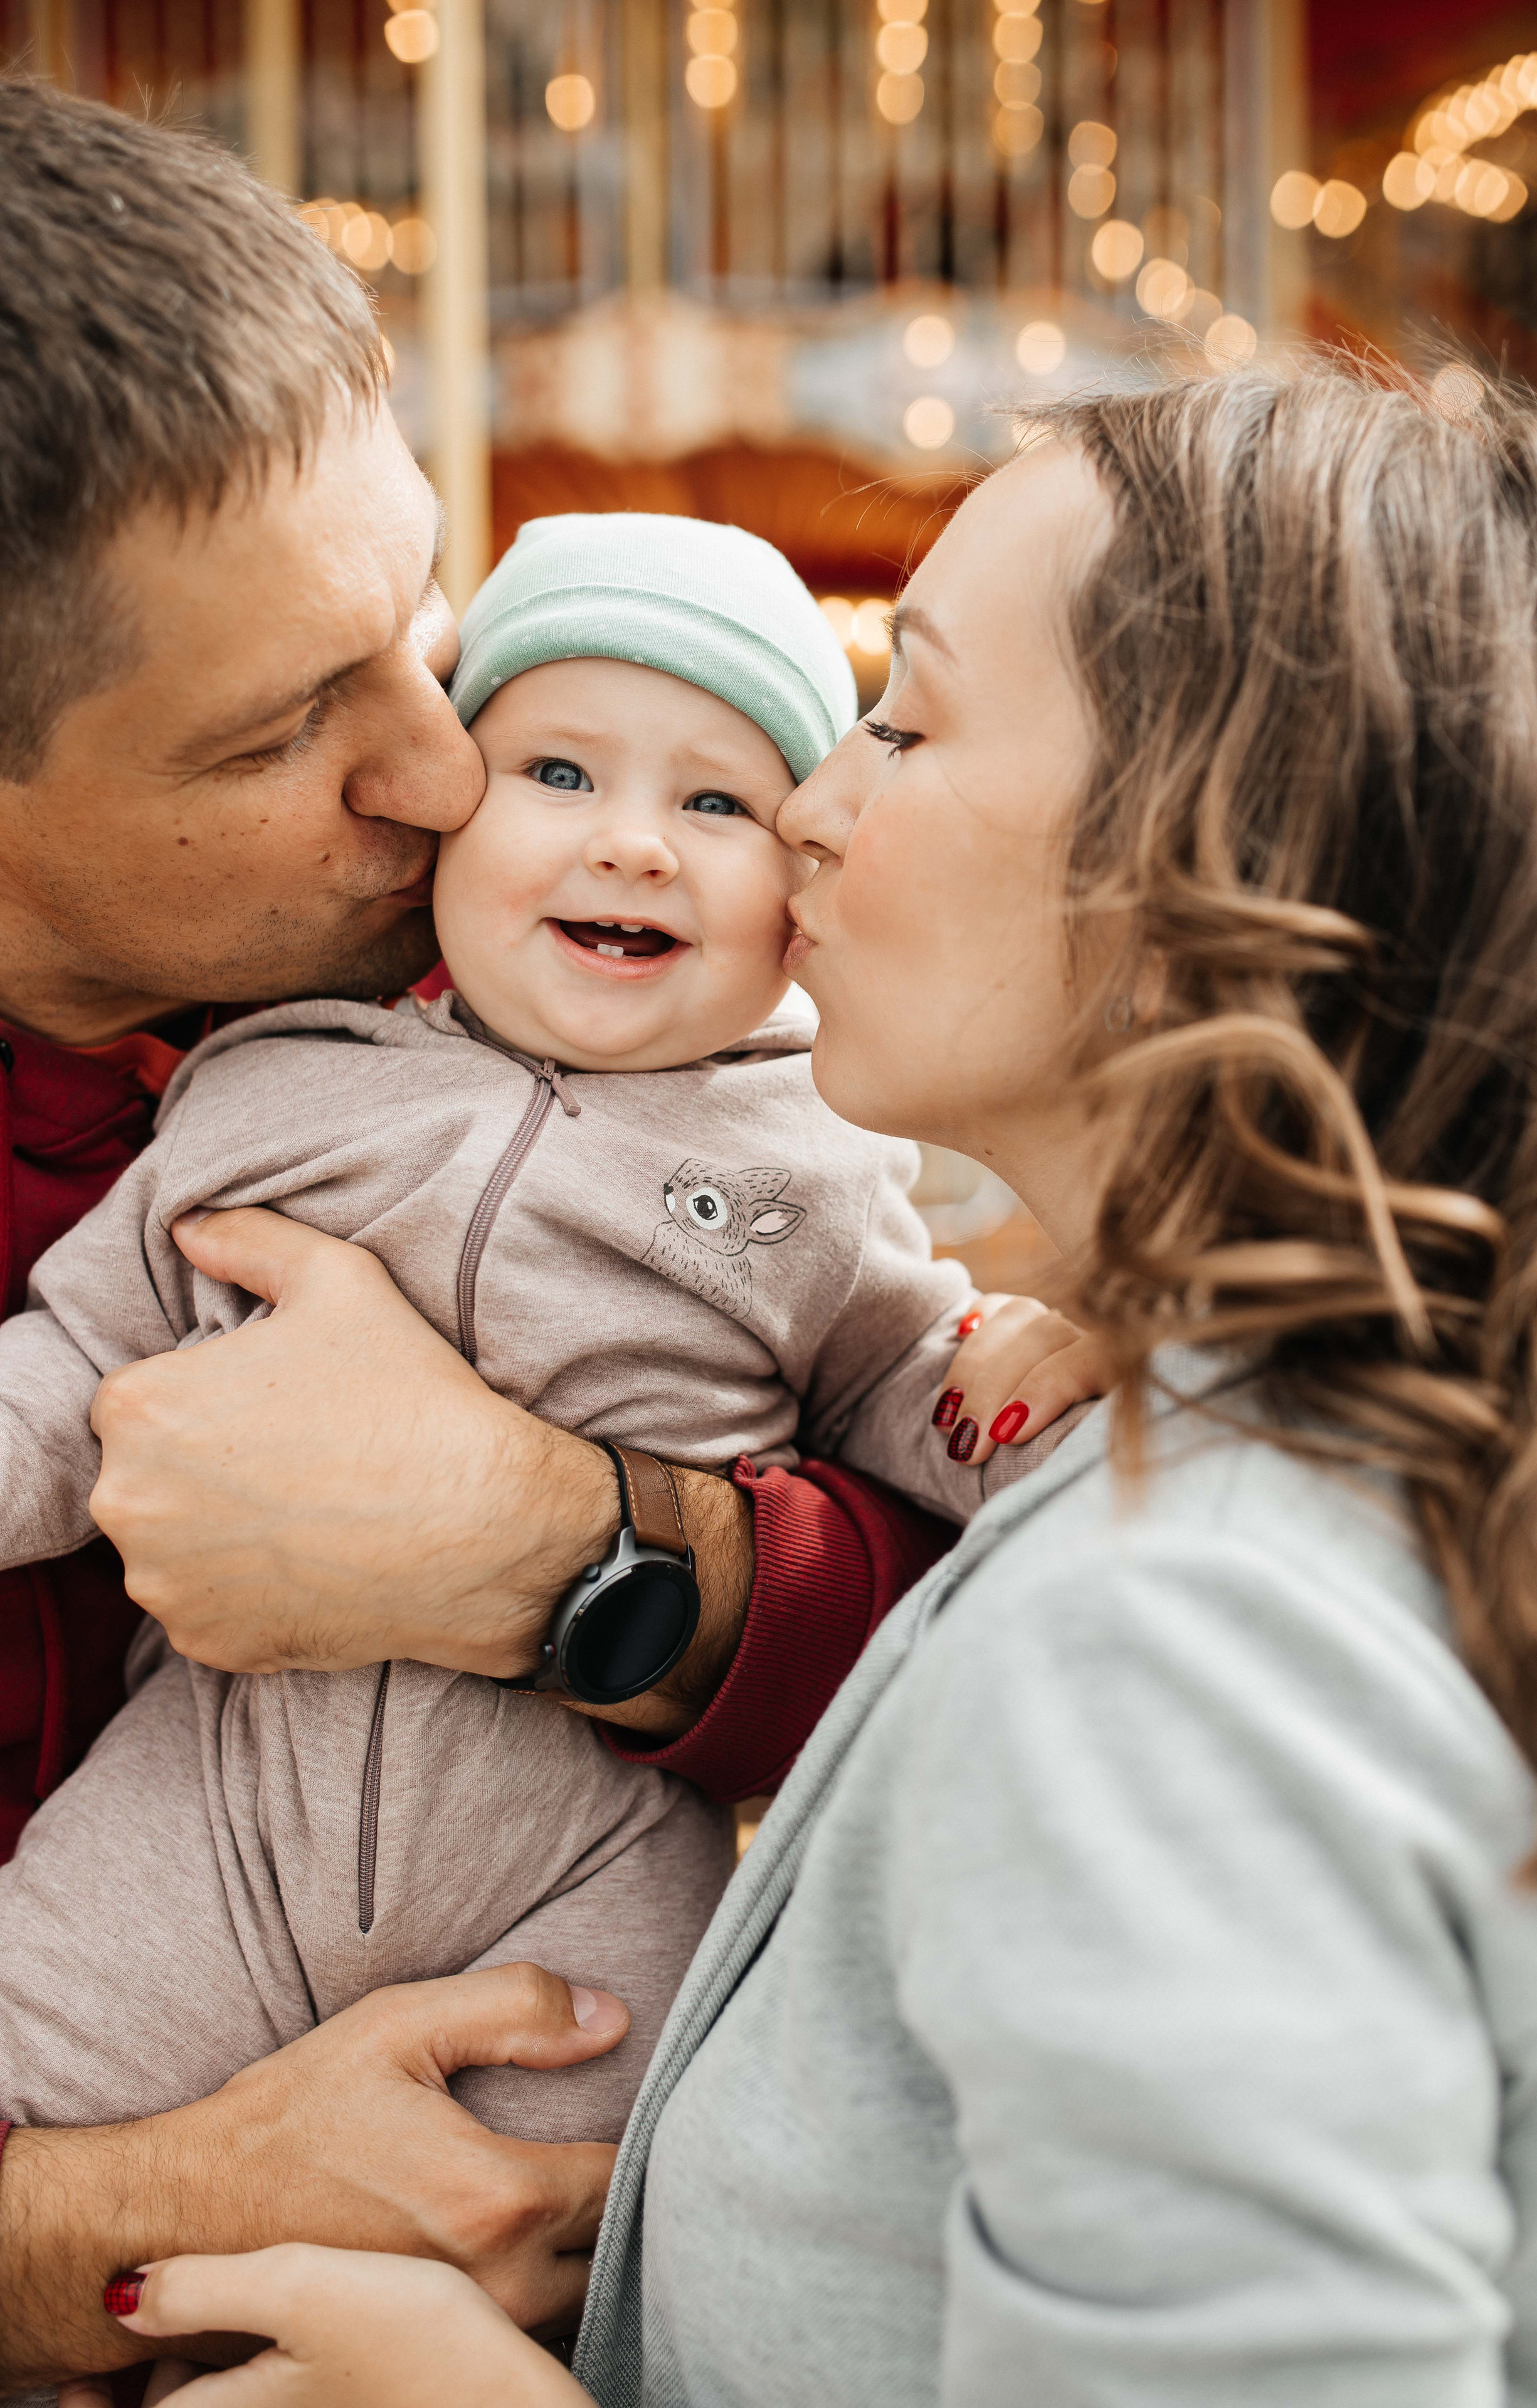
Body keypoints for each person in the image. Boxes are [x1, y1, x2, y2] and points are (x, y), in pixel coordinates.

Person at [117, 360, 1537, 2403]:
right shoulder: (1266, 1463)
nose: (811, 802)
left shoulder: (1187, 1629)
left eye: (901, 719)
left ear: (1196, 862)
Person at [0, 76, 1054, 2395]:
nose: (451, 768)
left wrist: (554, 1545)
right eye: (293, 724)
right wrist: (129, 2219)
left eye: (426, 629)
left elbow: (935, 1518)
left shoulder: (519, 1008)